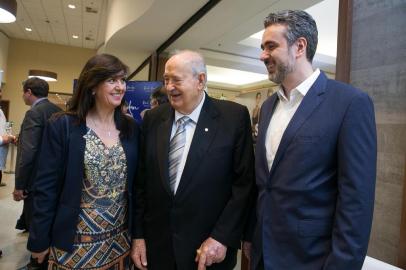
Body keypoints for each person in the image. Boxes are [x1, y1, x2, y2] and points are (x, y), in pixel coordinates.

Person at [249, 10, 377, 270]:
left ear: (300, 46)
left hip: (311, 260)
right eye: (262, 47)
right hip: (264, 254)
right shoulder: (268, 106)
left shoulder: (349, 103)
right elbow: (267, 186)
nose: (263, 55)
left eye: (271, 46)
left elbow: (356, 202)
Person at [131, 50, 255, 270]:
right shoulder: (153, 119)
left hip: (207, 251)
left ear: (200, 81)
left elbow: (243, 185)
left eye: (176, 80)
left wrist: (222, 237)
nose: (169, 87)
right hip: (157, 250)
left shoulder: (233, 118)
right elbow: (141, 182)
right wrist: (138, 236)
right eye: (166, 80)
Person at [27, 54, 139, 269]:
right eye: (111, 80)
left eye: (122, 80)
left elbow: (138, 185)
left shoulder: (131, 129)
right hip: (74, 243)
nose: (120, 87)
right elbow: (46, 187)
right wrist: (39, 238)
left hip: (120, 242)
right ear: (93, 85)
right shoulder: (64, 125)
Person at [13, 78, 62, 231]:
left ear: (29, 92)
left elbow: (29, 152)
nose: (23, 96)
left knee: (35, 223)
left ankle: (37, 254)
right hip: (54, 176)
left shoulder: (34, 113)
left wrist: (20, 185)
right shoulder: (57, 111)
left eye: (23, 93)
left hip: (35, 180)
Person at [0, 88, 15, 187]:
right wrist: (2, 139)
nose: (1, 95)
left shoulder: (1, 111)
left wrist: (11, 136)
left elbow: (5, 127)